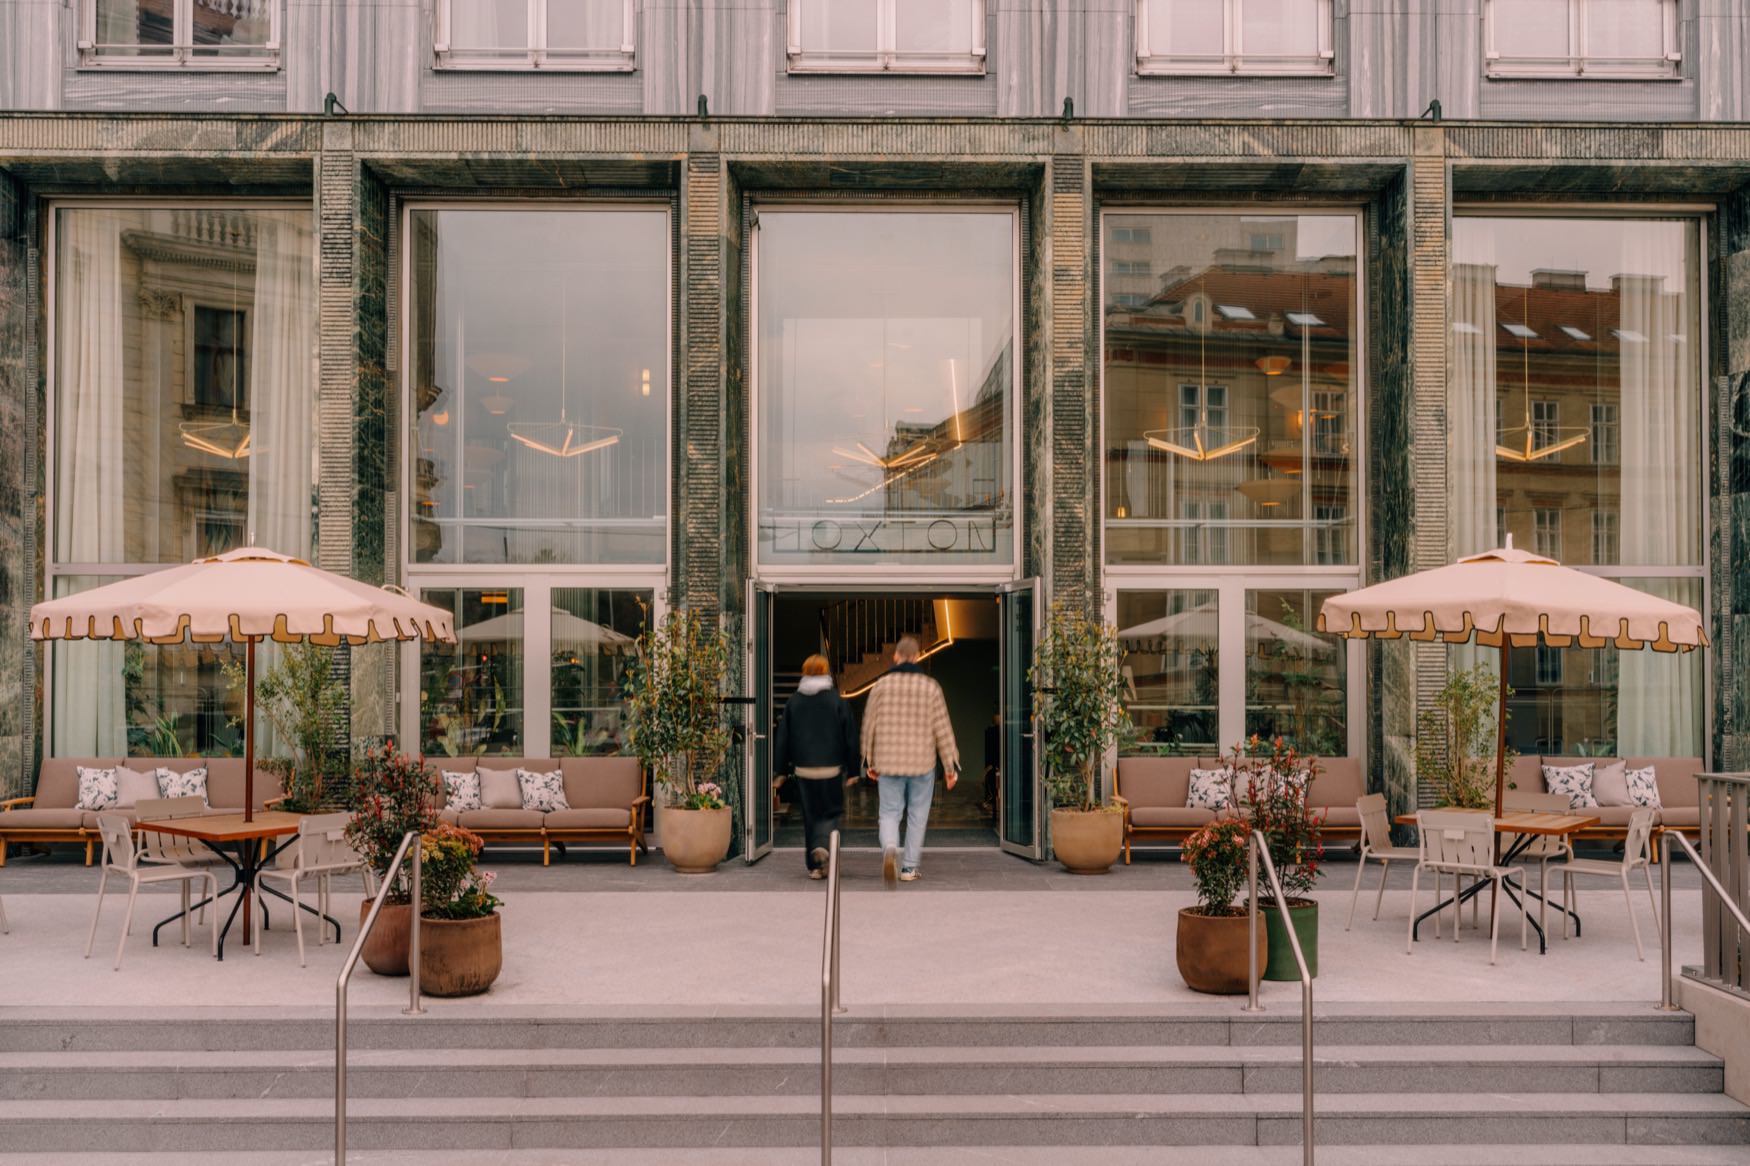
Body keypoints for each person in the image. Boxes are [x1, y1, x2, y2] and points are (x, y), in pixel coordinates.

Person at [860, 635, 959, 885]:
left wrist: (868, 761)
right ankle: (908, 869)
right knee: (918, 814)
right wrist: (950, 766)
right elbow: (943, 729)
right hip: (921, 763)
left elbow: (868, 725)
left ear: (896, 656)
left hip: (888, 762)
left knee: (889, 813)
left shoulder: (881, 686)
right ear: (916, 657)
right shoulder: (931, 687)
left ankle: (890, 848)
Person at [772, 654, 860, 880]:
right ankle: (823, 846)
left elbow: (783, 738)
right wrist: (853, 770)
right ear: (826, 672)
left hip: (804, 770)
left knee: (810, 816)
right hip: (831, 769)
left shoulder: (794, 702)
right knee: (831, 810)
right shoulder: (837, 701)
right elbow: (850, 736)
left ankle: (814, 867)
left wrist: (780, 771)